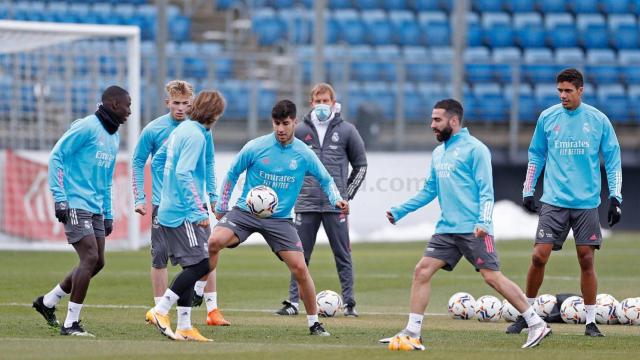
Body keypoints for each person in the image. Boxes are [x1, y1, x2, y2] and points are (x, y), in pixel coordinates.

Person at [382, 99, 551, 351]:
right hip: (446, 229)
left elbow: (486, 190)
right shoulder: (438, 153)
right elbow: (429, 190)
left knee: (492, 277)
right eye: (431, 120)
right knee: (422, 271)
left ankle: (536, 323)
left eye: (437, 120)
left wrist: (484, 221)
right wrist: (400, 210)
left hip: (474, 228)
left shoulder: (476, 149)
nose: (432, 125)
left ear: (453, 120)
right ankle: (412, 332)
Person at [209, 99, 349, 336]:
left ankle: (314, 323)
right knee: (213, 242)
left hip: (280, 219)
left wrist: (336, 198)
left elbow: (325, 179)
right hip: (245, 212)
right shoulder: (256, 146)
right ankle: (206, 299)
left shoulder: (303, 154)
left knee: (300, 268)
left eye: (285, 123)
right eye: (276, 123)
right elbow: (232, 173)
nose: (280, 129)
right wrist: (222, 205)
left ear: (295, 122)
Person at [506, 68, 622, 338]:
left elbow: (613, 161)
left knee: (586, 260)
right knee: (538, 256)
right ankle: (528, 315)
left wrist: (615, 197)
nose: (563, 96)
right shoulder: (547, 118)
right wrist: (527, 190)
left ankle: (591, 322)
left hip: (586, 204)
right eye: (560, 90)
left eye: (568, 90)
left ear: (581, 90)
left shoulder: (598, 120)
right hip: (554, 201)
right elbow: (536, 155)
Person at [33, 86, 131, 337]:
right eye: (127, 105)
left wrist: (108, 212)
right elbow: (57, 156)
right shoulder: (86, 126)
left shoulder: (114, 136)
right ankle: (70, 324)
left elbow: (107, 177)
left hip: (97, 207)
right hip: (76, 203)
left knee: (98, 262)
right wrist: (60, 198)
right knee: (89, 257)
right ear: (113, 103)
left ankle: (48, 302)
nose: (130, 111)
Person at [132, 80, 229, 327]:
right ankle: (161, 310)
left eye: (187, 103)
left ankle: (208, 311)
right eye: (177, 103)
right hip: (175, 205)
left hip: (187, 202)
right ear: (168, 103)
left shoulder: (198, 131)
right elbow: (143, 162)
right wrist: (142, 196)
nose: (181, 108)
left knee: (203, 255)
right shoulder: (157, 130)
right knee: (165, 258)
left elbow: (207, 163)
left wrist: (213, 196)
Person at [276, 83, 367, 317]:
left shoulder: (347, 130)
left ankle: (349, 304)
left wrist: (346, 195)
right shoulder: (299, 131)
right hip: (305, 204)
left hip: (335, 206)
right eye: (318, 101)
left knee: (343, 254)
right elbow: (284, 163)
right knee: (299, 256)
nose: (322, 105)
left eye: (326, 101)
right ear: (311, 103)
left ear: (334, 103)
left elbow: (361, 166)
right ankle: (293, 302)